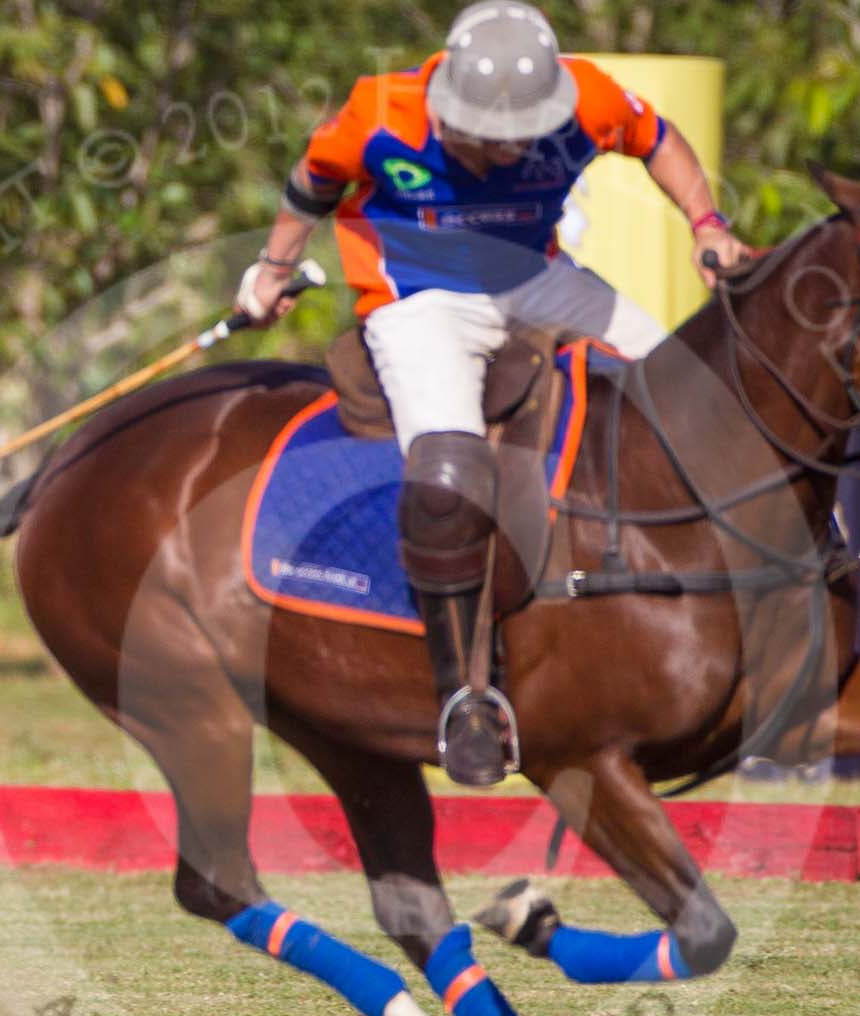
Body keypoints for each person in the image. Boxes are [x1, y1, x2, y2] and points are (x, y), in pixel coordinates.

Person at [237, 2, 750, 785]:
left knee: (694, 394)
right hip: (417, 299)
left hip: (532, 278)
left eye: (515, 137)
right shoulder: (380, 112)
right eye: (482, 134)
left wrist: (705, 222)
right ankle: (463, 699)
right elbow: (312, 182)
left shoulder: (587, 98)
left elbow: (657, 138)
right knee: (448, 473)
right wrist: (273, 272)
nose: (498, 151)